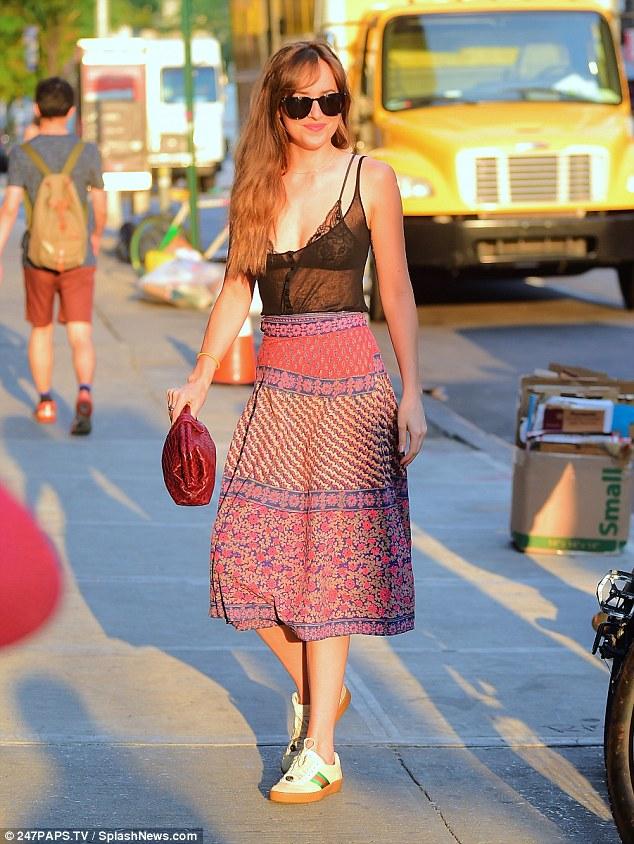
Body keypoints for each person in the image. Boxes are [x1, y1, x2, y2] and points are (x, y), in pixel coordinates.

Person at [167, 40, 426, 804]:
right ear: (276, 107)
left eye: (330, 100)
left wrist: (413, 392)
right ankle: (323, 694)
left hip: (350, 390)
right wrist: (200, 377)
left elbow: (397, 291)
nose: (317, 115)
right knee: (239, 554)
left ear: (344, 104)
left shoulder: (371, 178)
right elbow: (233, 290)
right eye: (301, 102)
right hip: (278, 392)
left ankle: (321, 751)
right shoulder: (256, 187)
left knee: (329, 568)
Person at [0, 77, 106, 435]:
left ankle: (45, 402)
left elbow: (9, 208)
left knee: (41, 330)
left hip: (37, 256)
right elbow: (100, 205)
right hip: (79, 255)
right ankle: (84, 392)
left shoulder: (22, 154)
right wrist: (94, 237)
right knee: (80, 333)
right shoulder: (87, 152)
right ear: (72, 111)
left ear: (36, 109)